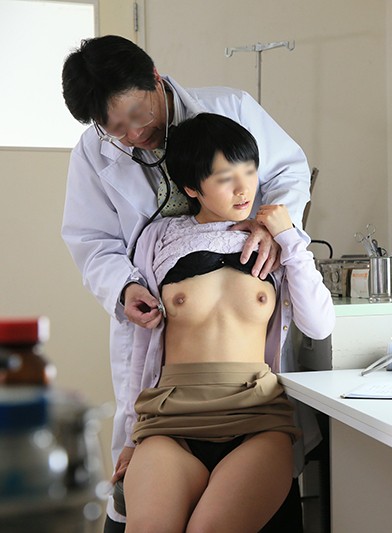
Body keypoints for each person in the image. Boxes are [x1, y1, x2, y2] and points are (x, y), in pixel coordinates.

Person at [60, 35, 313, 530]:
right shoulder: (95, 155)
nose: (134, 135)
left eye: (138, 116)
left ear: (156, 79)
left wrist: (274, 228)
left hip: (249, 399)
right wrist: (124, 288)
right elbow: (92, 239)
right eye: (116, 130)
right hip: (166, 377)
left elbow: (289, 171)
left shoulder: (231, 109)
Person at [118, 113, 334, 532]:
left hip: (256, 421)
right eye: (225, 178)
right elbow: (139, 346)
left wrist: (290, 238)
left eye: (250, 171)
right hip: (169, 421)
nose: (244, 188)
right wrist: (129, 438)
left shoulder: (276, 241)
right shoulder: (159, 239)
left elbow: (319, 325)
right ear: (191, 188)